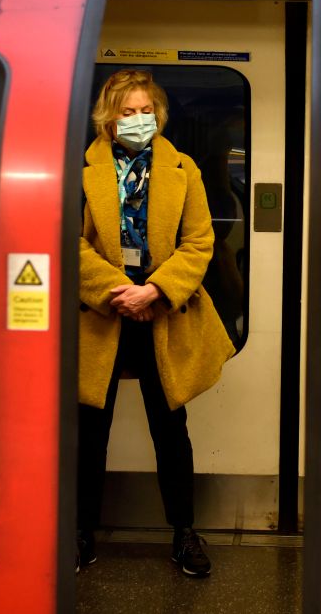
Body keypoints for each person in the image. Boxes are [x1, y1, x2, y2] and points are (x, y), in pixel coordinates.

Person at [77, 70, 235, 577]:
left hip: (161, 309)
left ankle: (184, 532)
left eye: (147, 111)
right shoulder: (79, 170)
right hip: (105, 311)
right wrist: (116, 292)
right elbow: (67, 241)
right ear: (108, 117)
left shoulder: (182, 168)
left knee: (170, 428)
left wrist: (154, 290)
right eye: (128, 112)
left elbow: (200, 243)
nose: (140, 120)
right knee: (88, 429)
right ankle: (81, 532)